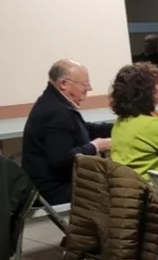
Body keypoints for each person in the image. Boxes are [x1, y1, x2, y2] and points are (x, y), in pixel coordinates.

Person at [22, 59, 112, 205]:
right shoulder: (57, 112)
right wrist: (95, 146)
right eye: (85, 83)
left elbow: (82, 129)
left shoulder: (52, 102)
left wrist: (116, 127)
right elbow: (61, 158)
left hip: (49, 186)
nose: (89, 88)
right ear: (63, 84)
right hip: (54, 191)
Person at [109, 62, 158, 180]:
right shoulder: (150, 125)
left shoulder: (122, 121)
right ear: (148, 92)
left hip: (129, 186)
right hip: (153, 188)